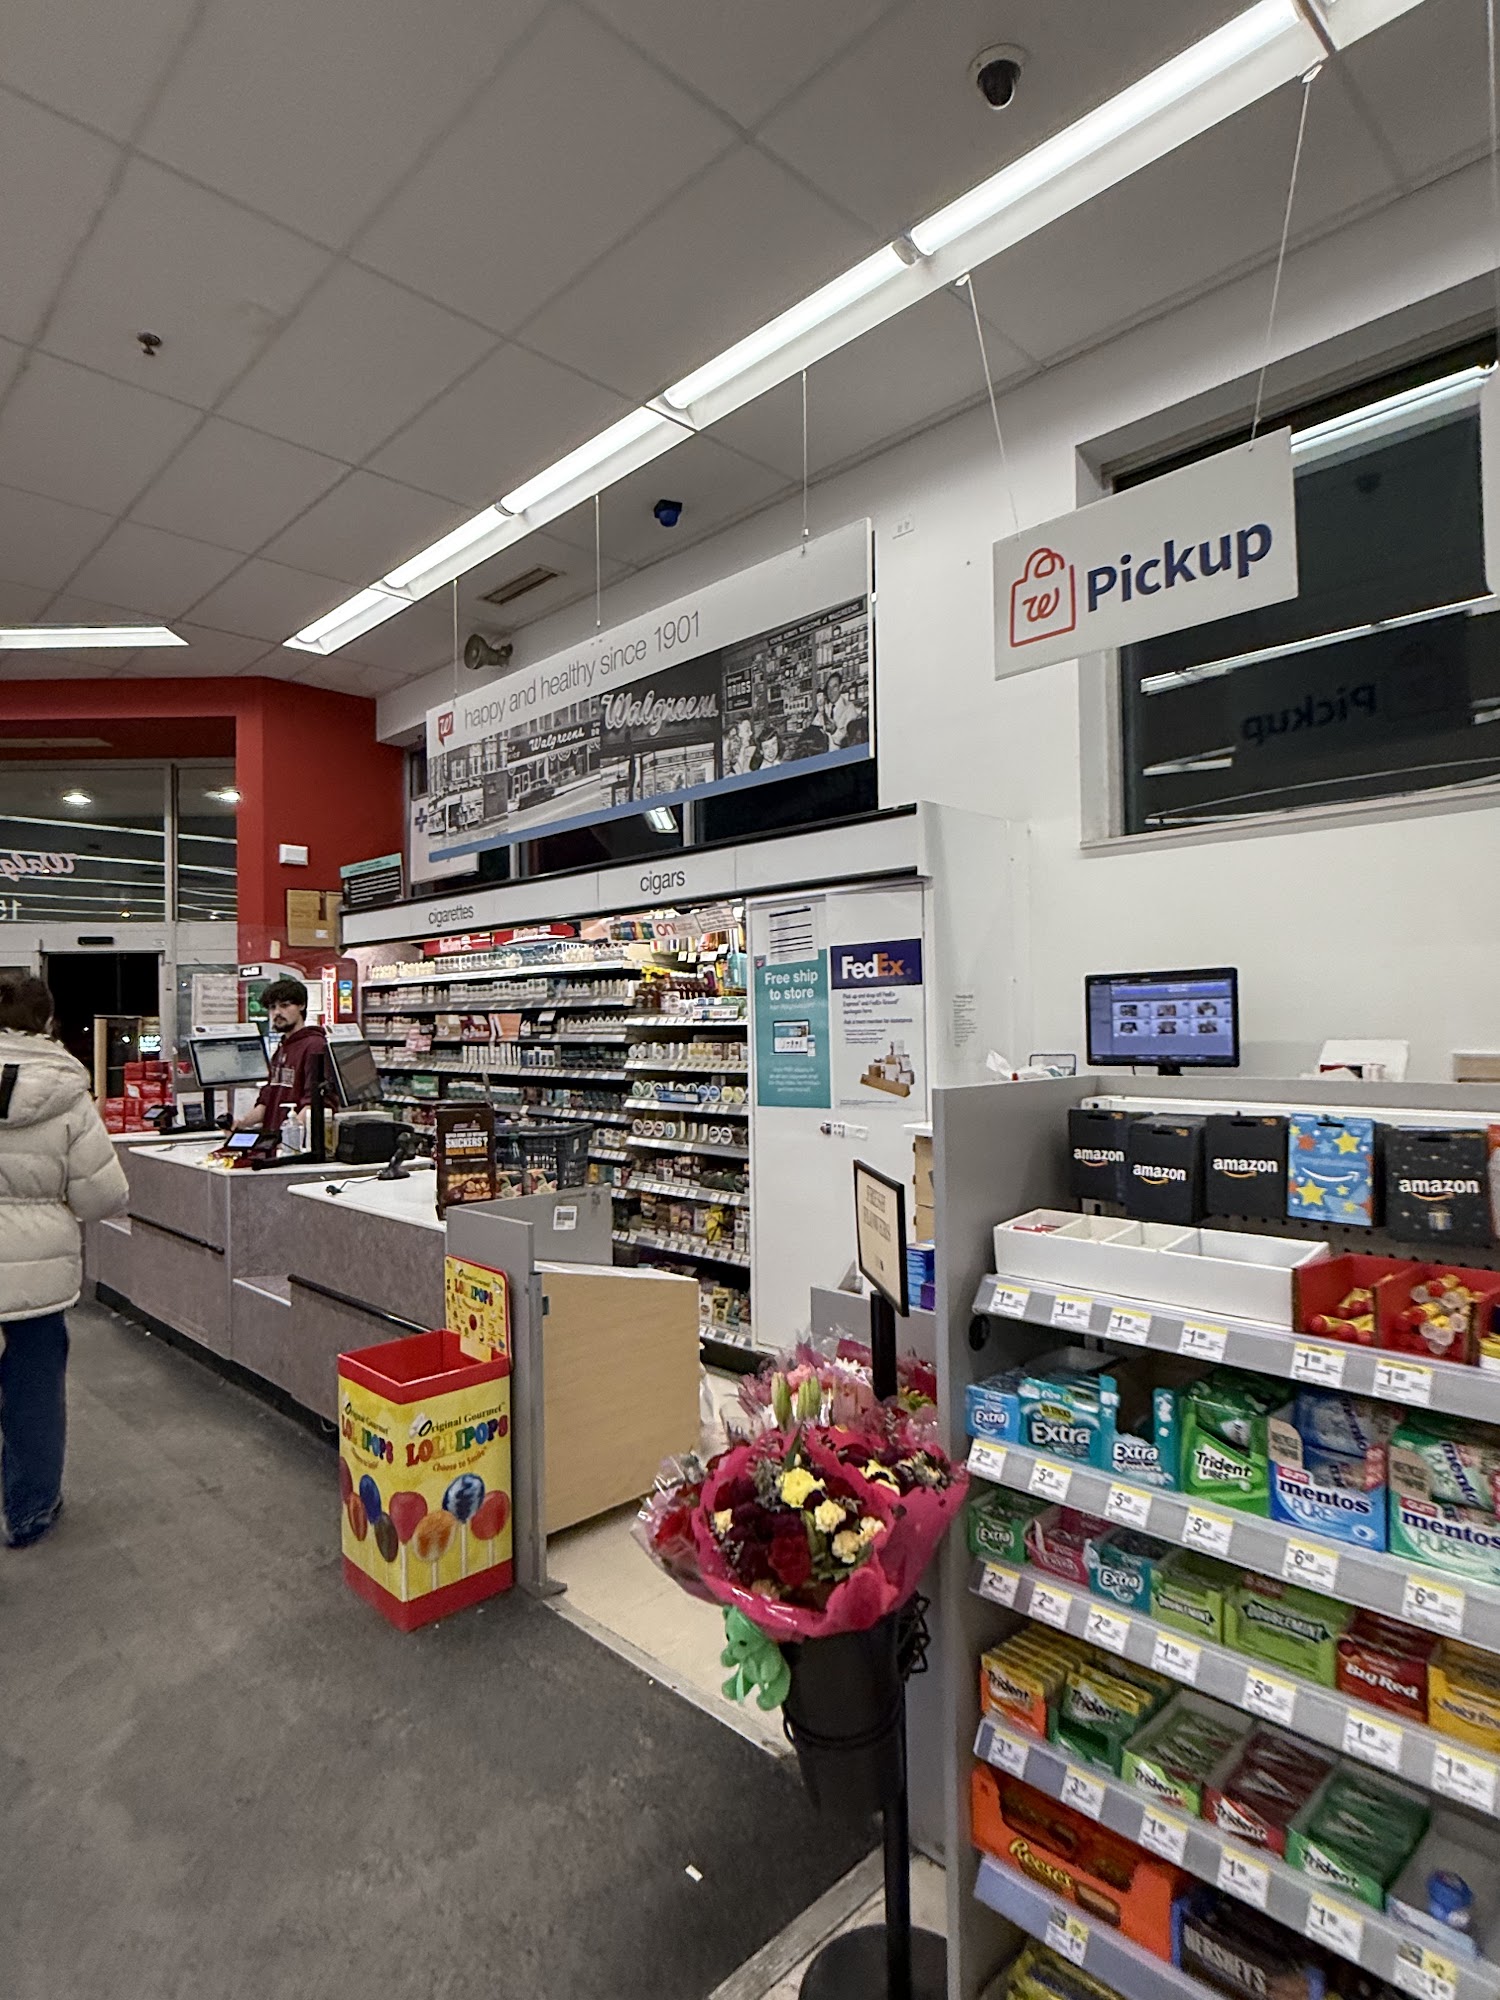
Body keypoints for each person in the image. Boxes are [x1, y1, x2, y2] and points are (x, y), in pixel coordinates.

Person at [0, 973, 129, 1549]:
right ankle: (29, 1511)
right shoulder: (69, 1092)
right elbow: (103, 1197)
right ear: (47, 1021)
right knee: (33, 1395)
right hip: (38, 1273)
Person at [231, 977, 331, 1148]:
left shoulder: (315, 1046)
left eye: (284, 1006)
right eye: (272, 1007)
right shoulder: (282, 1047)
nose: (277, 1012)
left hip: (295, 1147)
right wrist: (241, 1124)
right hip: (274, 1142)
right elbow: (267, 1100)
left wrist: (286, 1141)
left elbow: (314, 1103)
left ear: (302, 1006)